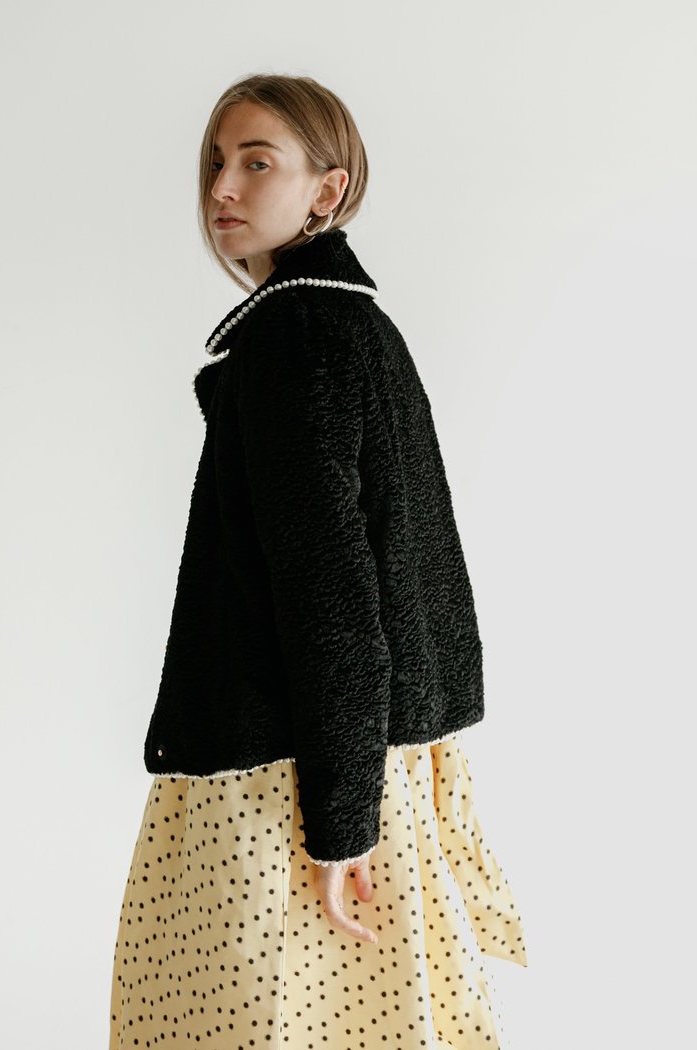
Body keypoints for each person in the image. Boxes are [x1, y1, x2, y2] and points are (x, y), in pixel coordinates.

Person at [109, 73, 528, 1049]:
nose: (221, 187)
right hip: (369, 760)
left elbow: (333, 594)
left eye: (257, 163)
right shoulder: (353, 327)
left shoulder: (294, 340)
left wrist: (338, 825)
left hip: (288, 780)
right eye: (216, 162)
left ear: (326, 192)